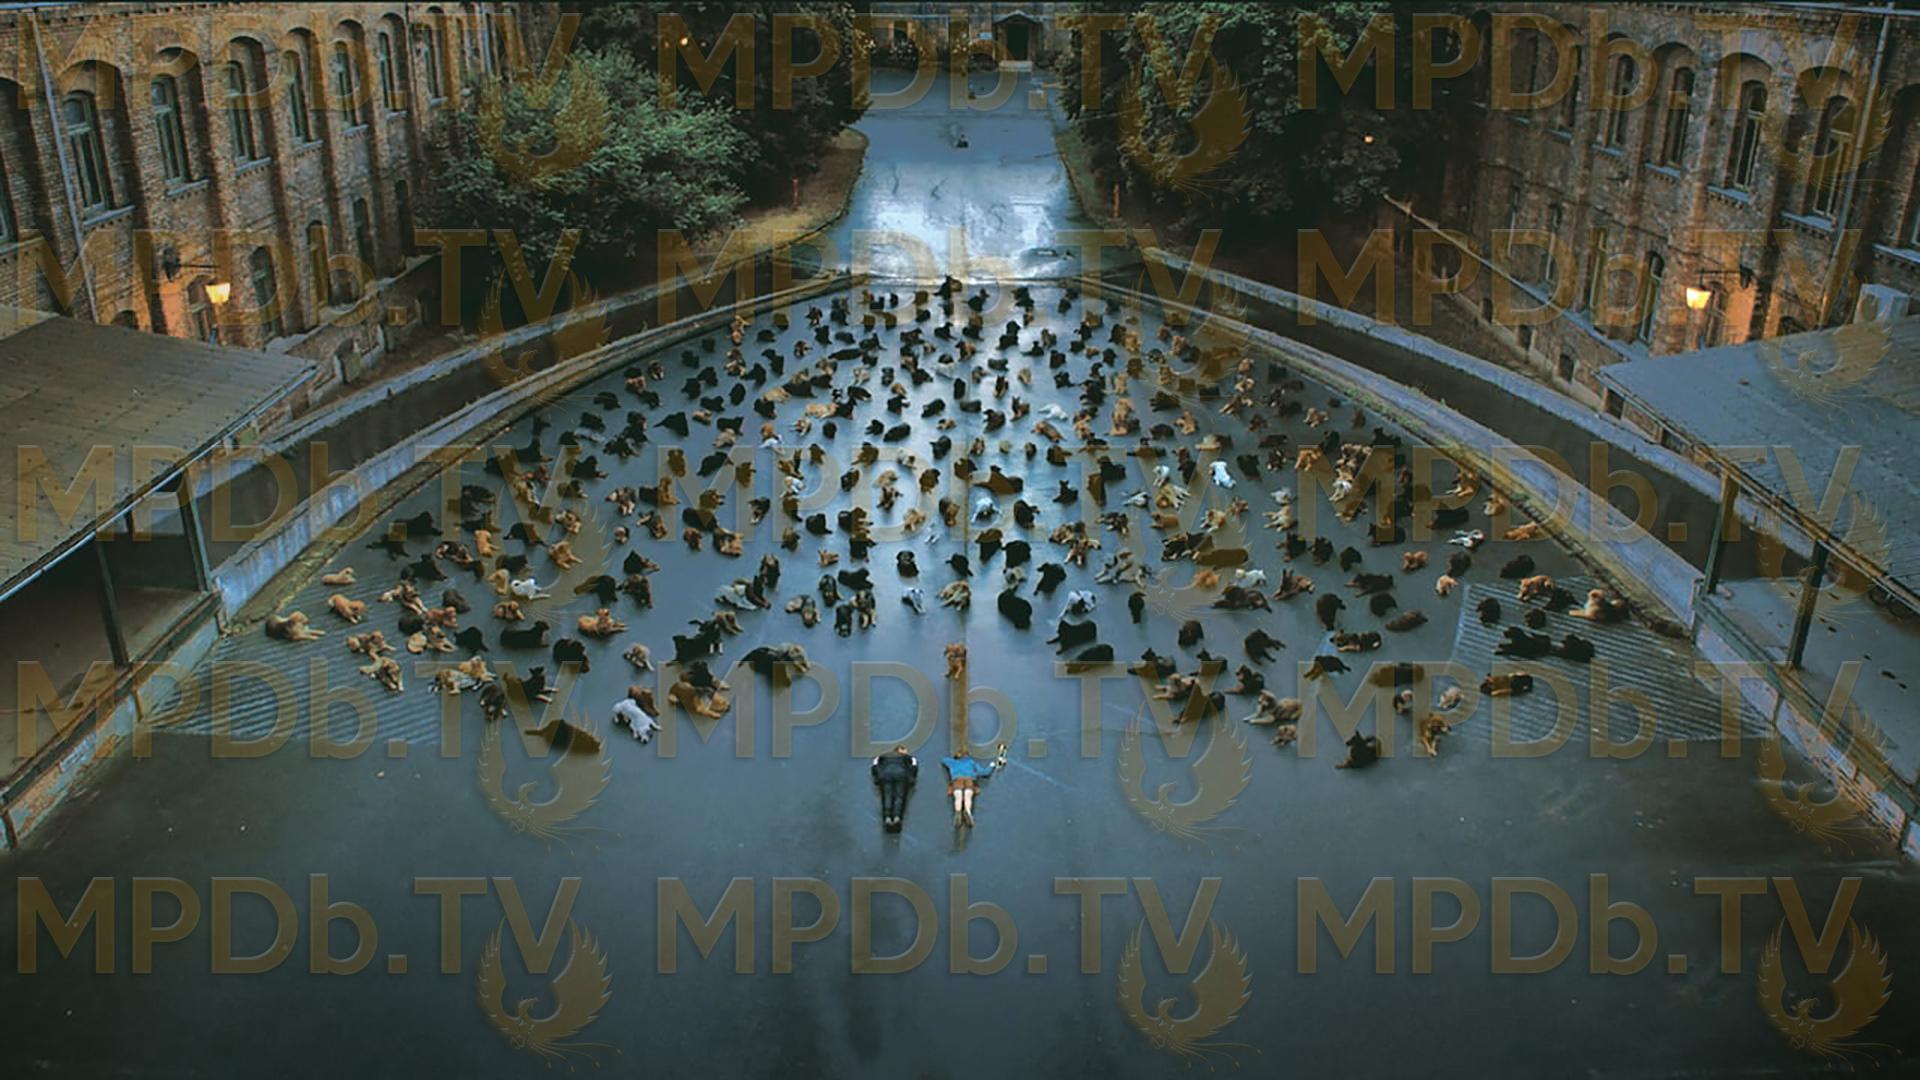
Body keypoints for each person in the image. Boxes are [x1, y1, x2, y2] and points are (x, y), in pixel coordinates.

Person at [940, 744, 1007, 827]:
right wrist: (991, 765)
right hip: (969, 780)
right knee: (968, 797)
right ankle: (968, 812)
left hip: (957, 781)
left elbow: (944, 760)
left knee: (958, 798)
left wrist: (953, 760)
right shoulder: (971, 762)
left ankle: (958, 812)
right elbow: (984, 772)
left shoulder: (952, 762)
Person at [871, 745, 918, 831]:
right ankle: (897, 817)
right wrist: (911, 778)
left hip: (886, 775)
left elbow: (875, 764)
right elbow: (914, 766)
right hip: (901, 775)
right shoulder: (907, 757)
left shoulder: (883, 756)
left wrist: (878, 776)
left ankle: (887, 817)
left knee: (887, 796)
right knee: (899, 796)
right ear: (900, 750)